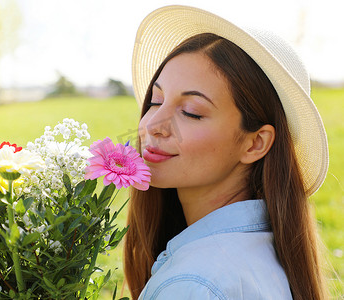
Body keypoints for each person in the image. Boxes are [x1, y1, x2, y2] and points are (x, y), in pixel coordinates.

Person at [123, 5, 329, 300]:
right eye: (156, 101)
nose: (151, 125)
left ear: (255, 143)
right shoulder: (265, 253)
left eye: (191, 112)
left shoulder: (193, 285)